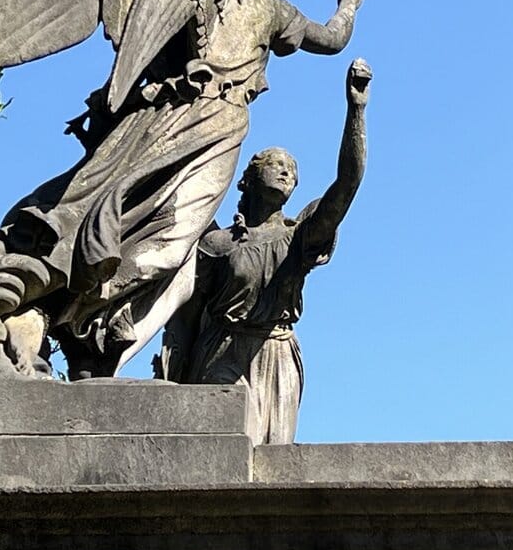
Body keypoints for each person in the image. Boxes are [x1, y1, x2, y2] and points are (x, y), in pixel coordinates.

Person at [157, 59, 371, 444]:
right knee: (218, 451)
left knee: (271, 460)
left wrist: (356, 110)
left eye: (292, 168)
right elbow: (186, 316)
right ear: (248, 179)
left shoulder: (298, 239)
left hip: (275, 354)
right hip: (220, 351)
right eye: (276, 163)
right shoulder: (217, 243)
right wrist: (175, 380)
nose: (286, 171)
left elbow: (347, 183)